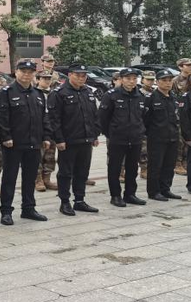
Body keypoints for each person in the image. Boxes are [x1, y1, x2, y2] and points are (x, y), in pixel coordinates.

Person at [0, 59, 51, 225]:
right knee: (10, 178)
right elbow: (1, 117)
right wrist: (5, 137)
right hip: (13, 144)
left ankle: (28, 208)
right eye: (23, 71)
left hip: (34, 142)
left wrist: (46, 137)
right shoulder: (6, 92)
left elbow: (44, 118)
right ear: (16, 72)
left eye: (30, 72)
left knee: (30, 177)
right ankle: (6, 211)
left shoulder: (38, 94)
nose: (26, 75)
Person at [48, 61, 100, 216]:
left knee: (82, 172)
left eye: (84, 76)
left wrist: (94, 135)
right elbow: (54, 119)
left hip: (86, 139)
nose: (81, 78)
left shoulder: (88, 92)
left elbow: (94, 116)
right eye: (78, 75)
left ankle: (79, 200)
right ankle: (65, 202)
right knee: (65, 173)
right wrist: (59, 139)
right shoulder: (59, 93)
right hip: (68, 141)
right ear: (70, 75)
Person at [99, 68, 149, 207]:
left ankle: (130, 194)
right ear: (121, 79)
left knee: (132, 168)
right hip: (117, 138)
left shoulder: (140, 96)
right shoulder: (111, 95)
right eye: (128, 78)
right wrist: (110, 133)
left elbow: (144, 117)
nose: (131, 81)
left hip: (135, 137)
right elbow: (103, 118)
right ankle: (115, 195)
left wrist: (141, 131)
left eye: (134, 78)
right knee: (114, 168)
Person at [144, 70, 182, 202]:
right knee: (155, 166)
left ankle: (165, 189)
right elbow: (145, 119)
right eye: (164, 80)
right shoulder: (151, 98)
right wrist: (151, 134)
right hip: (157, 138)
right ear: (157, 82)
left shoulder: (173, 97)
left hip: (172, 137)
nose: (168, 83)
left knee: (169, 165)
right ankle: (154, 191)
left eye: (170, 80)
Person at [35, 71, 57, 193]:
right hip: (39, 127)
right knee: (39, 155)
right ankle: (38, 179)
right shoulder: (33, 93)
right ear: (38, 79)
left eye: (49, 78)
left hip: (52, 125)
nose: (47, 81)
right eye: (44, 78)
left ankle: (47, 178)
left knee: (50, 154)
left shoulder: (54, 93)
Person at [173, 58, 191, 175]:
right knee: (180, 140)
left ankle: (186, 161)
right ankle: (177, 163)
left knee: (189, 138)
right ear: (181, 67)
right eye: (188, 65)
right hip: (180, 113)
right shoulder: (175, 81)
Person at [137, 71, 157, 179]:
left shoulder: (155, 92)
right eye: (148, 79)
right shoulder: (139, 93)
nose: (150, 82)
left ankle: (150, 168)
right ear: (142, 80)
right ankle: (144, 169)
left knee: (152, 149)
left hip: (153, 124)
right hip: (142, 123)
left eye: (152, 80)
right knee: (143, 149)